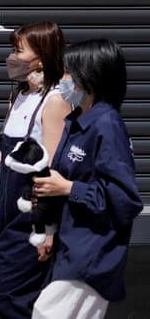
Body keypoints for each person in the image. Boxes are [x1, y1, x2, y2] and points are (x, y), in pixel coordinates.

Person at [31, 39, 143, 319]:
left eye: (69, 74)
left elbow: (125, 200)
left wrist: (68, 187)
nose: (63, 81)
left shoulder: (107, 125)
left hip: (92, 254)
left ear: (90, 76)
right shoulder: (77, 121)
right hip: (69, 248)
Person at [0, 21, 71, 318]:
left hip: (31, 216)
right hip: (7, 213)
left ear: (41, 56)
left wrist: (46, 230)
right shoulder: (19, 95)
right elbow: (4, 154)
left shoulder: (54, 101)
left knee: (9, 296)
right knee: (5, 293)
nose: (12, 57)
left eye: (19, 50)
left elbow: (52, 168)